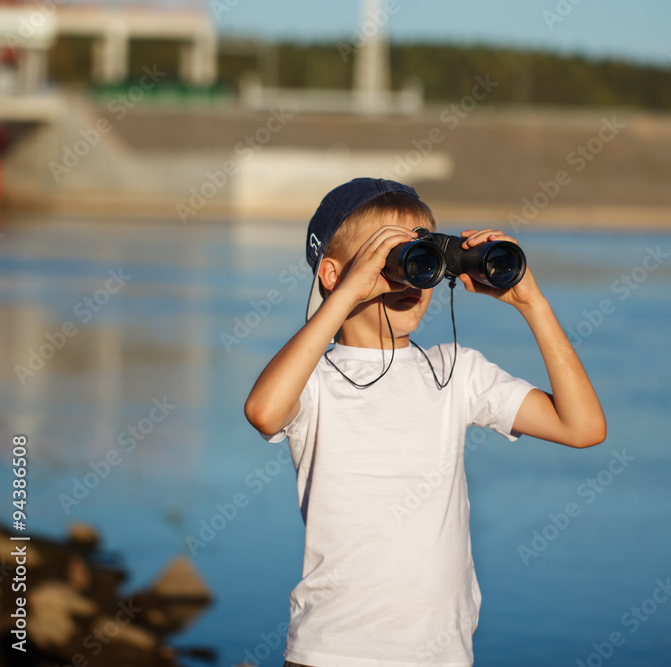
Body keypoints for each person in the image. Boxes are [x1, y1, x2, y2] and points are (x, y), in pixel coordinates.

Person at [244, 177, 606, 667]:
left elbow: (582, 428)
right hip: (333, 652)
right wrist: (350, 292)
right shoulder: (314, 382)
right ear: (332, 273)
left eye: (423, 259)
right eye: (395, 259)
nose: (412, 279)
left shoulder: (456, 371)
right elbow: (264, 411)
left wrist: (532, 304)